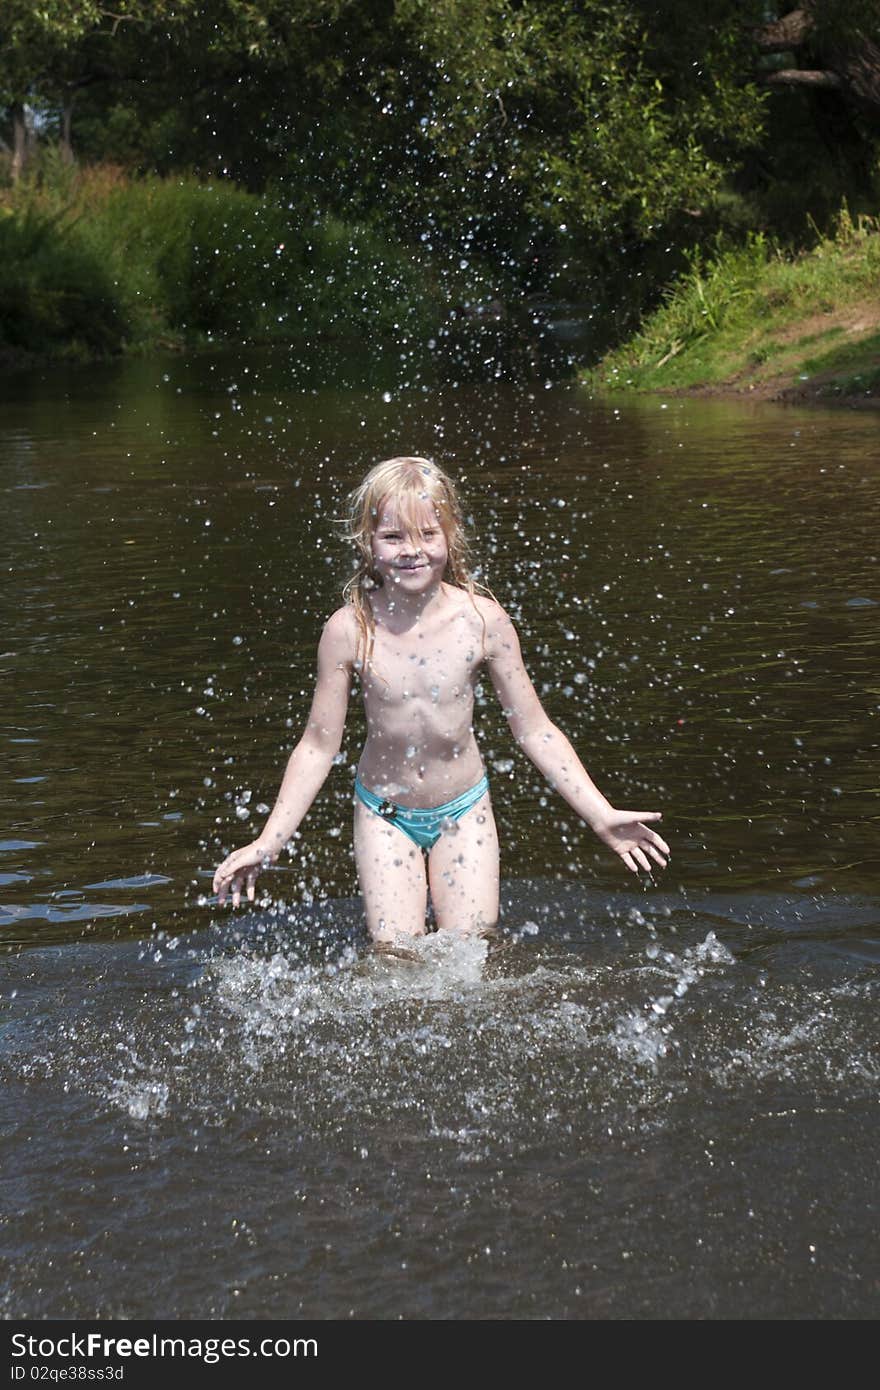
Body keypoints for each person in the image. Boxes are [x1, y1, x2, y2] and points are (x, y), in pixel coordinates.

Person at [212, 456, 669, 941]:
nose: (413, 551)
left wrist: (600, 814)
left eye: (427, 535)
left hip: (463, 810)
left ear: (450, 537)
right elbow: (317, 746)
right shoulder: (348, 630)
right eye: (393, 537)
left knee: (470, 952)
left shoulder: (483, 622)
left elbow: (534, 729)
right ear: (367, 543)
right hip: (383, 813)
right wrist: (270, 839)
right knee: (395, 957)